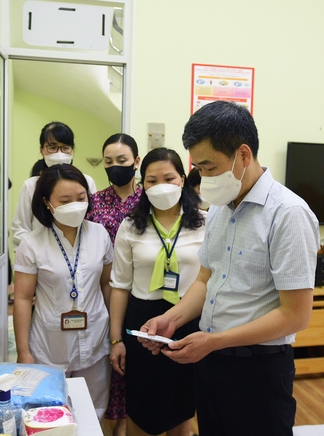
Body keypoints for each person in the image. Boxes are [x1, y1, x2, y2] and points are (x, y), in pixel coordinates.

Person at [141, 101, 320, 436]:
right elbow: (206, 279)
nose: (204, 178)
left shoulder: (288, 214)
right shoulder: (222, 208)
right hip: (211, 363)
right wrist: (173, 318)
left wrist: (214, 341)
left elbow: (296, 314)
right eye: (200, 169)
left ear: (243, 155)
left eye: (210, 168)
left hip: (258, 370)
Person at [109, 148, 206, 436]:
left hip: (189, 319)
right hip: (142, 322)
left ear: (183, 179)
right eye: (152, 180)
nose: (161, 185)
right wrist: (116, 339)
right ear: (142, 184)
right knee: (141, 408)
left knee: (181, 409)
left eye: (169, 177)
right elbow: (120, 286)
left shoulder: (205, 223)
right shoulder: (130, 226)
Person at [13, 163, 113, 420]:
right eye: (65, 200)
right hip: (49, 345)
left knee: (93, 412)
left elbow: (106, 285)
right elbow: (23, 299)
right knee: (48, 414)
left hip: (95, 341)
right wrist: (23, 351)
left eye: (81, 198)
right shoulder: (32, 243)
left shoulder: (100, 234)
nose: (76, 205)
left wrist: (114, 337)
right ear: (47, 203)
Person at [85, 133, 141, 436]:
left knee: (135, 369)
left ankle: (128, 427)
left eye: (122, 161)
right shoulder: (93, 203)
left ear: (136, 160)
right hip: (102, 295)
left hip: (142, 296)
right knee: (108, 365)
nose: (115, 167)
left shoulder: (149, 200)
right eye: (109, 162)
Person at [11, 121, 98, 250]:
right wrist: (37, 253)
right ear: (42, 150)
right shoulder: (30, 186)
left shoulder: (86, 181)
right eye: (52, 147)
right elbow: (20, 229)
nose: (59, 153)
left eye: (65, 148)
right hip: (40, 257)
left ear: (72, 150)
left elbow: (93, 220)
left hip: (79, 252)